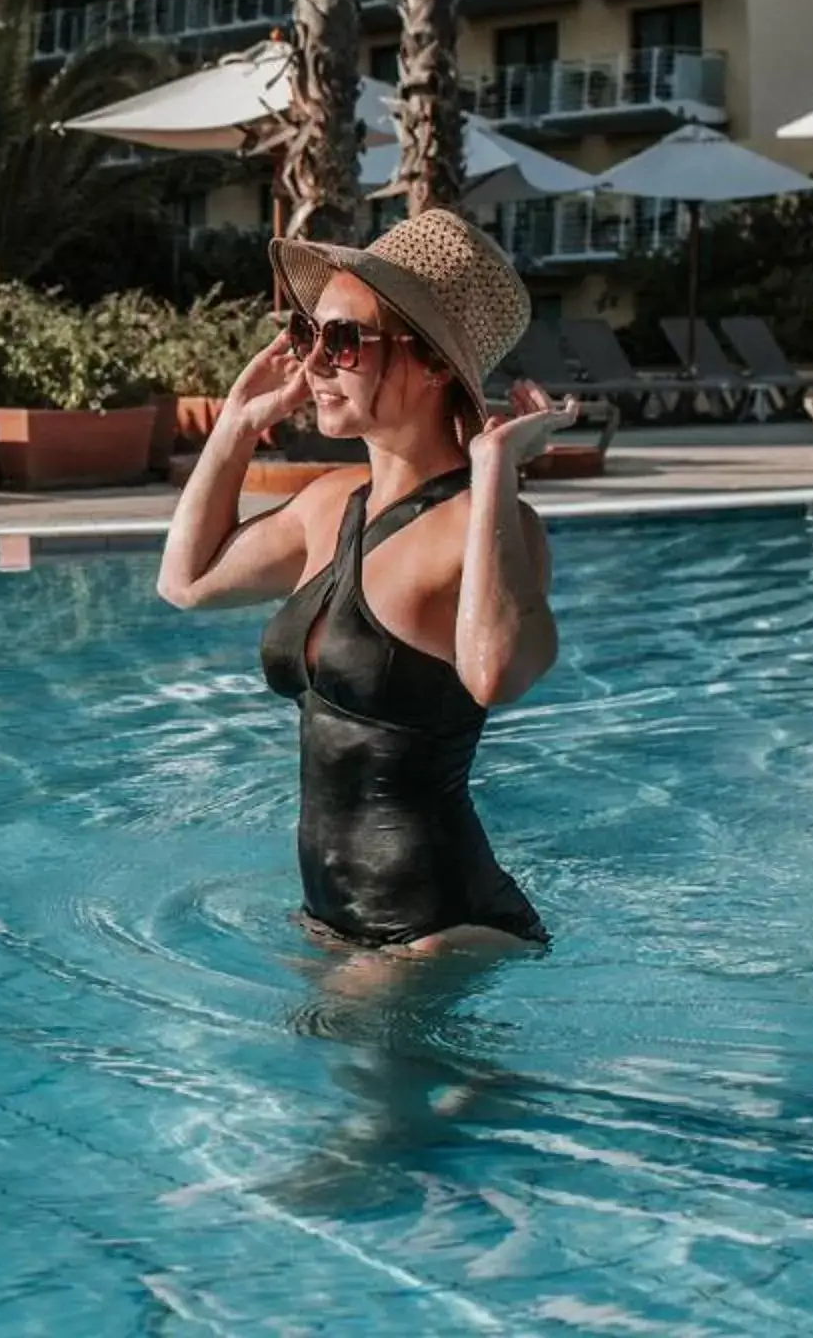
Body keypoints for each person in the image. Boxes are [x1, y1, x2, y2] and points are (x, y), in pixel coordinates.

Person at [157, 211, 580, 959]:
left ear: (433, 364)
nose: (315, 363)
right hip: (336, 923)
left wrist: (492, 471)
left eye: (344, 341)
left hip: (440, 927)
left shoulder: (487, 524)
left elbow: (496, 673)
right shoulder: (329, 505)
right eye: (305, 335)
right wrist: (235, 424)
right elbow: (185, 583)